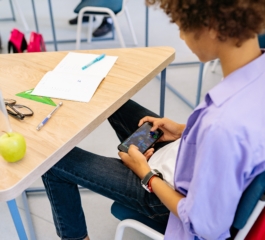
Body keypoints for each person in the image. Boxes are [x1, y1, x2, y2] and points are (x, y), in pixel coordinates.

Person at [42, 0, 265, 239]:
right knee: (111, 98)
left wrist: (146, 175)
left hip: (167, 195)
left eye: (182, 26)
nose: (180, 35)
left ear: (210, 26)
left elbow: (205, 226)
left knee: (51, 161)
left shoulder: (221, 126)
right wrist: (184, 130)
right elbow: (238, 143)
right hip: (185, 156)